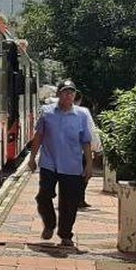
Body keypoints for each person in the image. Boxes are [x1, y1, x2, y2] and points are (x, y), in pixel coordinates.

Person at [27, 78, 92, 248]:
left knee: (69, 203)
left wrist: (89, 165)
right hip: (49, 163)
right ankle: (49, 223)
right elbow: (39, 136)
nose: (68, 95)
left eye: (71, 92)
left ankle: (65, 235)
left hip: (72, 165)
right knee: (43, 196)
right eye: (65, 92)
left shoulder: (82, 115)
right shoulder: (47, 112)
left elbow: (86, 141)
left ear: (74, 95)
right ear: (59, 94)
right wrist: (32, 158)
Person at [74, 91, 102, 209]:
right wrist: (97, 147)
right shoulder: (83, 113)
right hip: (81, 152)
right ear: (80, 100)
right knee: (83, 176)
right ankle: (79, 199)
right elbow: (91, 131)